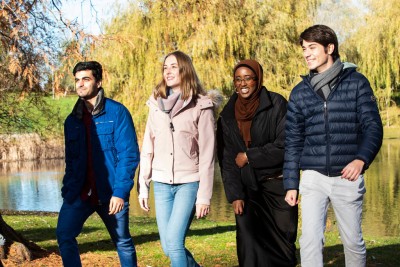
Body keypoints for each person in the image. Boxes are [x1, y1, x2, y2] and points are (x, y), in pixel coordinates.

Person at [284, 24, 383, 267]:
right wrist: (291, 183)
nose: (306, 53)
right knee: (309, 239)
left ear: (330, 48)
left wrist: (361, 160)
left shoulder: (357, 83)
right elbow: (293, 140)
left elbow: (373, 127)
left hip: (347, 176)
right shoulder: (299, 93)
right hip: (312, 176)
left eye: (312, 47)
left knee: (352, 241)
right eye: (304, 49)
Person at [56, 61, 140, 267]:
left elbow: (128, 155)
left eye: (86, 79)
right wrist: (67, 190)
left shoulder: (117, 113)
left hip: (111, 193)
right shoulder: (71, 120)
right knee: (64, 235)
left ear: (99, 82)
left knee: (123, 242)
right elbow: (71, 160)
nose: (80, 84)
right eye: (77, 80)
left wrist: (120, 192)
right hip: (79, 193)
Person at [138, 51, 217, 267]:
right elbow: (148, 147)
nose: (168, 71)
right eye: (165, 67)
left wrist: (204, 196)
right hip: (162, 183)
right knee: (168, 246)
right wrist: (143, 185)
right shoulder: (155, 104)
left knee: (173, 242)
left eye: (174, 66)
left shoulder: (201, 105)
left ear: (185, 70)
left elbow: (208, 155)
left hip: (189, 183)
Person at [217, 59, 298, 267]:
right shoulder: (227, 114)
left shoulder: (277, 104)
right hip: (247, 187)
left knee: (283, 240)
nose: (242, 84)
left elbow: (285, 145)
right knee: (248, 240)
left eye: (248, 78)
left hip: (277, 185)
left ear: (258, 79)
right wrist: (235, 195)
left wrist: (249, 156)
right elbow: (226, 159)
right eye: (238, 79)